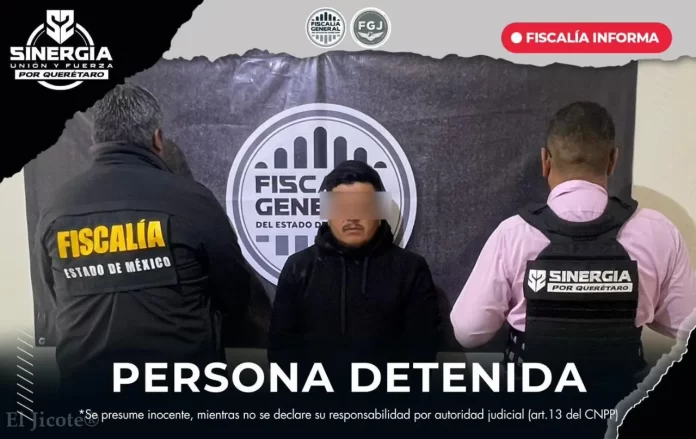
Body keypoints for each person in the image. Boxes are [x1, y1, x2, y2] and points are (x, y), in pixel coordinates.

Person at [450, 101, 696, 392]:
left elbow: (468, 331)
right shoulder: (657, 231)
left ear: (545, 161)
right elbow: (687, 324)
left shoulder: (513, 234)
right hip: (619, 404)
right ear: (612, 160)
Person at [33, 83, 255, 397]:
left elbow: (55, 293)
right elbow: (235, 294)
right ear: (157, 138)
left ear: (96, 138)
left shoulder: (57, 207)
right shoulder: (192, 200)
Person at [269, 160, 441, 390]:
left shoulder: (410, 269)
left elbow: (421, 352)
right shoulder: (299, 267)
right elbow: (281, 350)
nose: (352, 217)